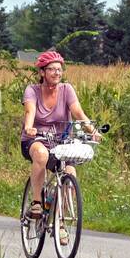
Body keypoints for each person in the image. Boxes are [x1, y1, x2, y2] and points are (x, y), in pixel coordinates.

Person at [21, 50, 101, 218]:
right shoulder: (32, 90)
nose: (56, 72)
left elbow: (78, 112)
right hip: (36, 139)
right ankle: (36, 203)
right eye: (51, 69)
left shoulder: (67, 89)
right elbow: (30, 111)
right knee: (41, 154)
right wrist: (29, 127)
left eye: (59, 69)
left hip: (61, 142)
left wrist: (92, 130)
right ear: (42, 72)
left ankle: (61, 221)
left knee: (70, 174)